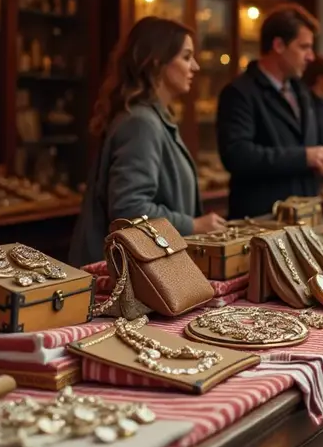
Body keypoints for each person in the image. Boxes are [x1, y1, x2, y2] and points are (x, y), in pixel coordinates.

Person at [69, 17, 227, 265]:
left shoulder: (151, 117)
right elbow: (130, 207)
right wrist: (194, 225)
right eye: (186, 57)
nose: (195, 66)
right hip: (127, 277)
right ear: (157, 63)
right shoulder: (141, 122)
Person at [216, 6, 323, 219]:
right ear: (279, 45)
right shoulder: (240, 92)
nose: (311, 57)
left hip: (305, 219)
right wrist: (303, 157)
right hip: (260, 224)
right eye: (304, 47)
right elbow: (237, 155)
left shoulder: (302, 92)